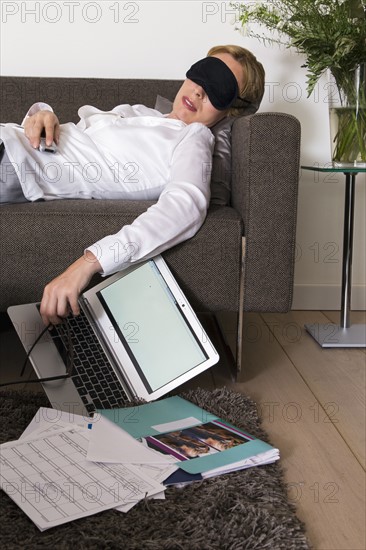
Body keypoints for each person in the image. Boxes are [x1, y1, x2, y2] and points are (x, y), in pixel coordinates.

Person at [0, 45, 265, 326]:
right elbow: (76, 138)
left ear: (231, 110)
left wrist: (89, 263)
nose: (199, 91)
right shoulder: (138, 112)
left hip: (13, 165)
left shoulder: (193, 138)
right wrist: (42, 114)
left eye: (218, 88)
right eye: (203, 73)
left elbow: (186, 206)